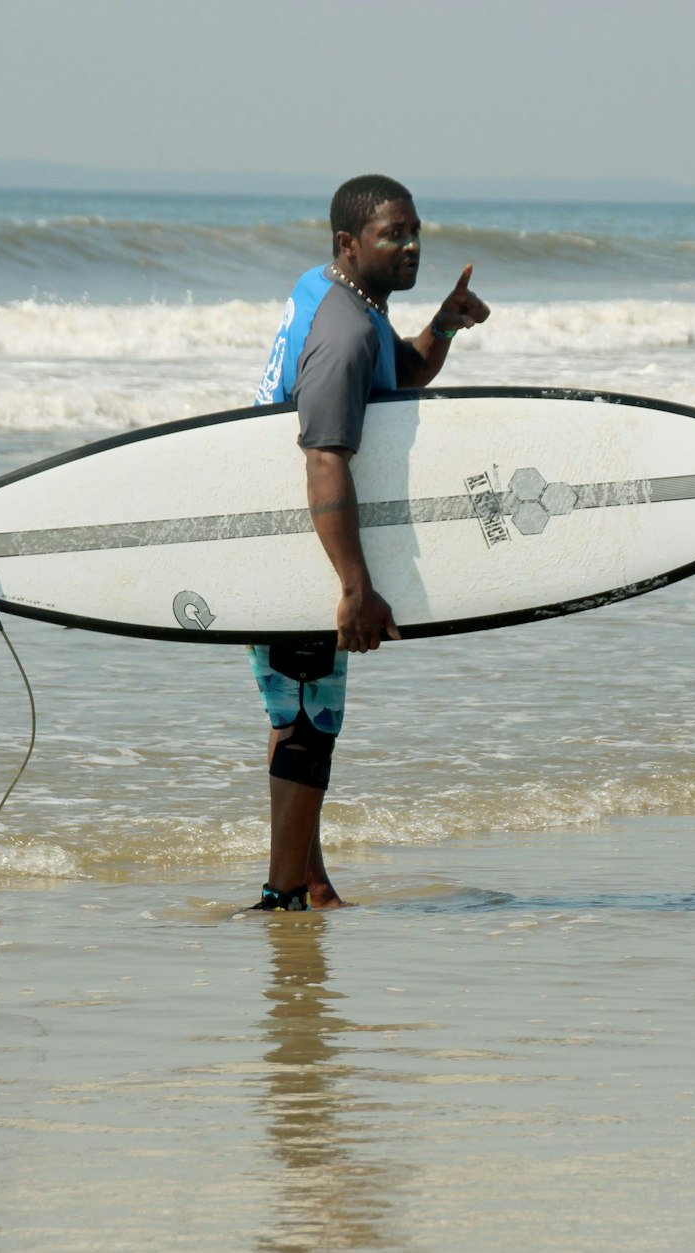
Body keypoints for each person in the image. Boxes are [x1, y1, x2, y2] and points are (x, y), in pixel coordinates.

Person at [246, 174, 490, 912]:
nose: (412, 246)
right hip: (297, 544)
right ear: (349, 243)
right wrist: (355, 584)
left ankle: (308, 881)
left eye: (416, 231)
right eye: (395, 235)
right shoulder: (345, 330)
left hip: (289, 541)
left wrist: (443, 326)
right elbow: (324, 454)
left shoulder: (344, 297)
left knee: (299, 711)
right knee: (308, 721)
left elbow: (400, 373)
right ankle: (282, 893)